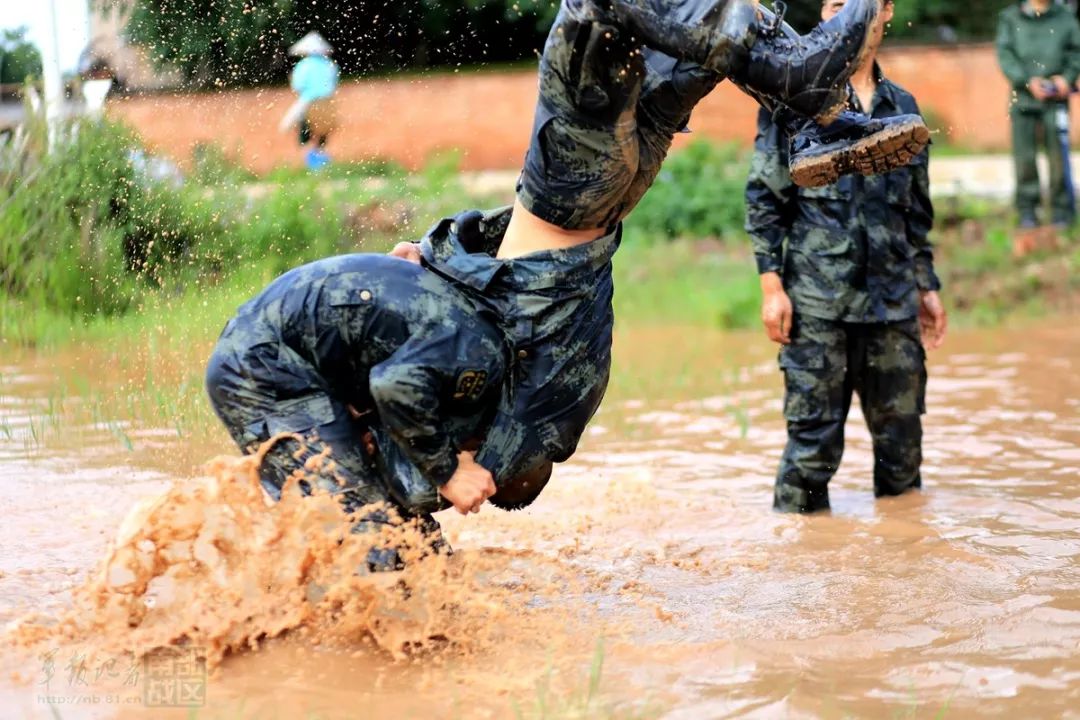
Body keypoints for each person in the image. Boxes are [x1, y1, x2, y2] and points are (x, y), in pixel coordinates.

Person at [393, 0, 930, 490]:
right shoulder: (525, 412)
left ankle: (811, 111)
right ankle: (812, 106)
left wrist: (427, 263)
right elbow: (403, 398)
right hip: (574, 193)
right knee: (593, 13)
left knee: (707, 32)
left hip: (606, 189)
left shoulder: (548, 390)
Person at [744, 0, 948, 513]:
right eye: (836, 2)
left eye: (860, 3)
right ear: (823, 15)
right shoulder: (791, 102)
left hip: (894, 306)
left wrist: (927, 286)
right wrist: (772, 287)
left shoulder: (904, 107)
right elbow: (765, 199)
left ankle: (905, 571)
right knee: (811, 454)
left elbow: (916, 212)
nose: (848, 13)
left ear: (885, 13)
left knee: (903, 456)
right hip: (817, 308)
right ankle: (804, 576)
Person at [204, 254, 511, 568]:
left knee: (420, 550)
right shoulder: (478, 359)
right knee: (368, 535)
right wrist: (449, 470)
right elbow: (394, 384)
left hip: (290, 363)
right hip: (264, 369)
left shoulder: (475, 338)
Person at [996, 0, 1080, 230]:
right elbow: (1005, 54)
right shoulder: (1011, 18)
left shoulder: (1065, 16)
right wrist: (1025, 80)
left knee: (1058, 158)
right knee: (1024, 158)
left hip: (1057, 99)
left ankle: (1062, 212)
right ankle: (1027, 212)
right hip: (1023, 98)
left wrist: (1067, 77)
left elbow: (1076, 51)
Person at [280, 31, 341, 170]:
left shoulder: (303, 65)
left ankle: (310, 162)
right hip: (327, 102)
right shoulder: (330, 65)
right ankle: (320, 159)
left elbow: (297, 86)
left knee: (301, 129)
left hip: (309, 102)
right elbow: (334, 83)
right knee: (323, 131)